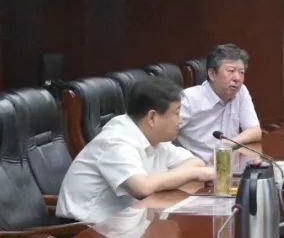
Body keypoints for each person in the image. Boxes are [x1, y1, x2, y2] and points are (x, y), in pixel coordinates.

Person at [57, 77, 215, 224]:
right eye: (176, 113)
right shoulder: (116, 140)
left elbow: (196, 162)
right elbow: (142, 188)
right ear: (152, 117)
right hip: (82, 230)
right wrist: (191, 174)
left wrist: (182, 174)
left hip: (125, 223)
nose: (180, 120)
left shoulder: (154, 136)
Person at [178, 43, 262, 162]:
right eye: (231, 71)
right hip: (198, 168)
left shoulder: (241, 92)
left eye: (241, 72)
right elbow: (162, 137)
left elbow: (255, 131)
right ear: (212, 74)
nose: (237, 78)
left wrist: (227, 145)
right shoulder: (188, 99)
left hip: (230, 167)